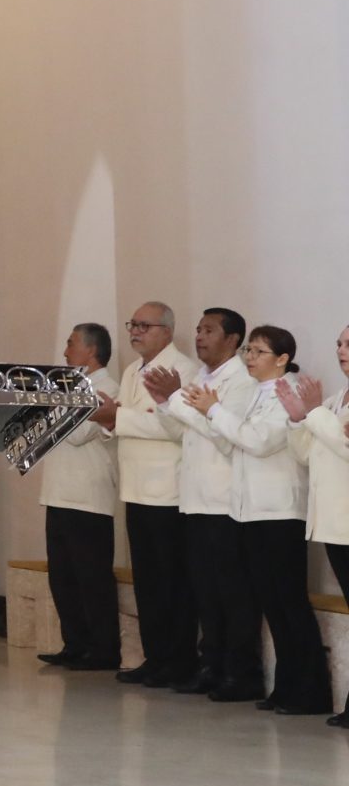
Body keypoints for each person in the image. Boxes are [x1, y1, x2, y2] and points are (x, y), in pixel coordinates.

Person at [197, 326, 330, 714]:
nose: (250, 358)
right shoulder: (255, 392)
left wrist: (216, 412)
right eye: (248, 351)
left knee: (290, 601)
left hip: (280, 510)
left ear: (282, 359)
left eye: (258, 351)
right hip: (249, 511)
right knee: (271, 603)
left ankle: (311, 691)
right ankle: (286, 688)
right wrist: (209, 415)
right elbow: (232, 442)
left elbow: (259, 441)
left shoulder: (289, 391)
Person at [153, 307, 257, 699]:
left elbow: (224, 436)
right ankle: (210, 667)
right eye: (197, 329)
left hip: (224, 502)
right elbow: (180, 431)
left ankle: (240, 673)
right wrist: (167, 404)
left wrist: (180, 403)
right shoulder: (200, 377)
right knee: (205, 592)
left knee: (232, 593)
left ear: (232, 339)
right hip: (195, 499)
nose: (199, 336)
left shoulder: (242, 381)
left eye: (209, 330)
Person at [96, 301, 200, 686]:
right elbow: (129, 416)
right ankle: (155, 657)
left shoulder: (184, 370)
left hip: (167, 491)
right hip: (136, 488)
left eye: (145, 325)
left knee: (172, 581)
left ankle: (179, 660)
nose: (136, 332)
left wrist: (118, 418)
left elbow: (175, 428)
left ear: (167, 332)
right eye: (133, 325)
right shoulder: (131, 369)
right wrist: (112, 419)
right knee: (148, 581)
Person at [39, 323, 120, 671]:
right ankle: (75, 644)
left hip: (88, 496)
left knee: (92, 577)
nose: (65, 351)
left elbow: (77, 433)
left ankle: (104, 649)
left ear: (91, 350)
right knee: (62, 577)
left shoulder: (107, 388)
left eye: (71, 344)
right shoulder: (70, 388)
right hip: (59, 493)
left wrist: (53, 406)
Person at [279, 324, 349, 726]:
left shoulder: (328, 406)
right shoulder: (338, 399)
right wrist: (297, 420)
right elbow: (308, 454)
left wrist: (314, 413)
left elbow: (345, 445)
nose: (341, 350)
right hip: (334, 523)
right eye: (338, 343)